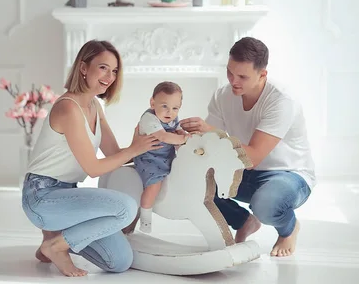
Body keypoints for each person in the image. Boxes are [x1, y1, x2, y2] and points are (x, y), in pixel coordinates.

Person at [22, 39, 161, 277]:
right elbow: (94, 168)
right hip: (42, 197)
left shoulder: (95, 105)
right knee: (125, 207)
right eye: (103, 67)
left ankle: (54, 239)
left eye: (115, 70)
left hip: (69, 198)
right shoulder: (68, 108)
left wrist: (155, 147)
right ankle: (56, 246)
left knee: (120, 261)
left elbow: (115, 155)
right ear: (84, 68)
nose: (110, 76)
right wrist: (134, 150)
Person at [180, 37, 315, 258]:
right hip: (242, 173)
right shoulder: (223, 96)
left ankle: (289, 228)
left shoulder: (281, 101)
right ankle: (243, 221)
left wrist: (209, 130)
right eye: (230, 72)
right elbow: (212, 147)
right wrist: (186, 141)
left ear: (263, 75)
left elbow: (252, 158)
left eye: (242, 76)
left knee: (266, 204)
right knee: (190, 178)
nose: (233, 81)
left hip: (287, 174)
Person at [133, 81, 189, 233]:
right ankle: (145, 218)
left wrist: (183, 135)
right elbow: (163, 136)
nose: (169, 112)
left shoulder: (172, 119)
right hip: (149, 159)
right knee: (154, 185)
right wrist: (184, 139)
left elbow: (176, 134)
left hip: (167, 158)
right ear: (152, 103)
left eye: (175, 108)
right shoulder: (149, 119)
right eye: (164, 106)